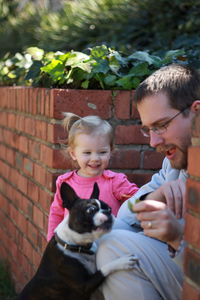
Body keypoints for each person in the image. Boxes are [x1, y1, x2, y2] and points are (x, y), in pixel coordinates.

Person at [93, 64, 200, 300]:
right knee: (99, 229)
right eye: (148, 129)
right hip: (177, 266)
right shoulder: (173, 164)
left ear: (196, 113)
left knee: (113, 245)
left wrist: (177, 236)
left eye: (161, 125)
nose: (153, 141)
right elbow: (126, 215)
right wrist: (158, 194)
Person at [47, 113, 139, 241]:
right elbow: (56, 213)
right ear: (73, 154)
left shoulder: (115, 182)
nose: (95, 158)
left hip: (108, 245)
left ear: (111, 152)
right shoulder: (65, 182)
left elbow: (137, 199)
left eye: (102, 152)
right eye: (87, 153)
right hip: (75, 248)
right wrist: (53, 239)